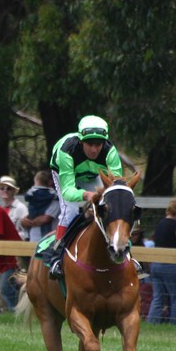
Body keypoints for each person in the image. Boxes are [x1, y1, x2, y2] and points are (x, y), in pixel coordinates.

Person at [47, 115, 124, 280]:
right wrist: (87, 194)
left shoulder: (110, 152)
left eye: (98, 144)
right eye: (90, 144)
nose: (94, 150)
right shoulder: (66, 151)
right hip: (67, 175)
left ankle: (127, 253)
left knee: (113, 207)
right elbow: (68, 191)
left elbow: (116, 187)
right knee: (70, 210)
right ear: (81, 142)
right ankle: (56, 257)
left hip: (92, 174)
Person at [147, 197, 176, 325]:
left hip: (156, 264)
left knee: (158, 297)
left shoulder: (160, 223)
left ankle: (152, 322)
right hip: (169, 265)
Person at [21, 169, 59, 243]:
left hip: (48, 240)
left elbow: (45, 218)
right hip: (32, 239)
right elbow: (32, 213)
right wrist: (23, 221)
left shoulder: (55, 200)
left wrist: (30, 222)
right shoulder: (35, 198)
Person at [0, 175, 29, 241]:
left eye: (8, 188)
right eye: (2, 188)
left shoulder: (21, 208)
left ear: (14, 191)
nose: (5, 190)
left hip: (16, 245)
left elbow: (26, 232)